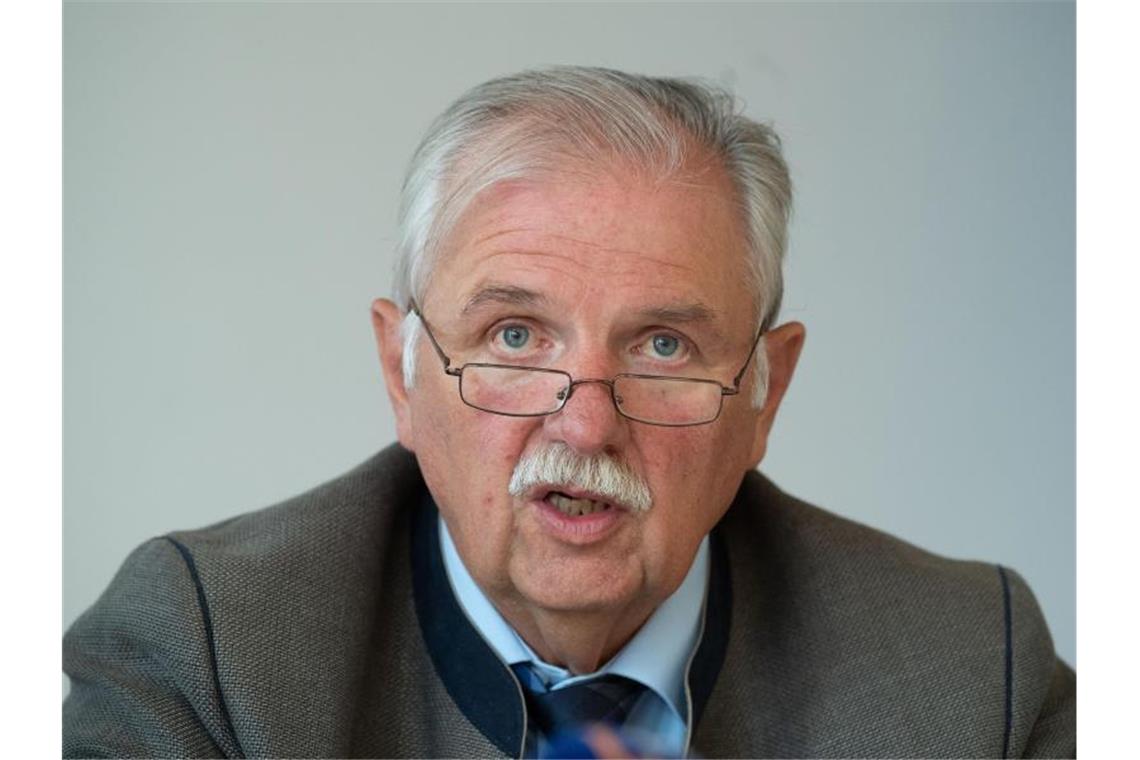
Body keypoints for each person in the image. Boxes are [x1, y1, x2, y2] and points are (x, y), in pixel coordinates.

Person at [63, 66, 1075, 758]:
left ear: (766, 393)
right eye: (514, 336)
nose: (586, 426)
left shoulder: (973, 672)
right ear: (401, 370)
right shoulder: (210, 657)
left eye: (664, 346)